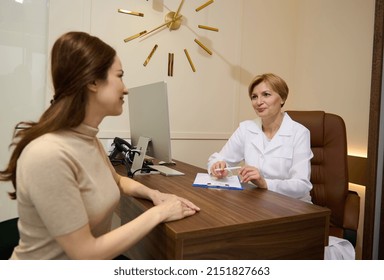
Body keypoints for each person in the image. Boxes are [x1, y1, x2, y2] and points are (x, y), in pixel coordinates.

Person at [0, 31, 200, 260]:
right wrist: (160, 213)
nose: (125, 89)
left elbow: (116, 180)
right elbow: (85, 253)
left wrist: (154, 194)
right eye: (120, 76)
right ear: (93, 82)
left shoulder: (87, 139)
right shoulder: (48, 154)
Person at [208, 73, 313, 203]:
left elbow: (302, 185)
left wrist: (264, 183)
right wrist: (217, 167)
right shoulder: (246, 128)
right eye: (254, 97)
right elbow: (218, 159)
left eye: (266, 95)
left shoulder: (299, 133)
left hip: (292, 206)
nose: (258, 102)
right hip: (255, 202)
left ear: (282, 98)